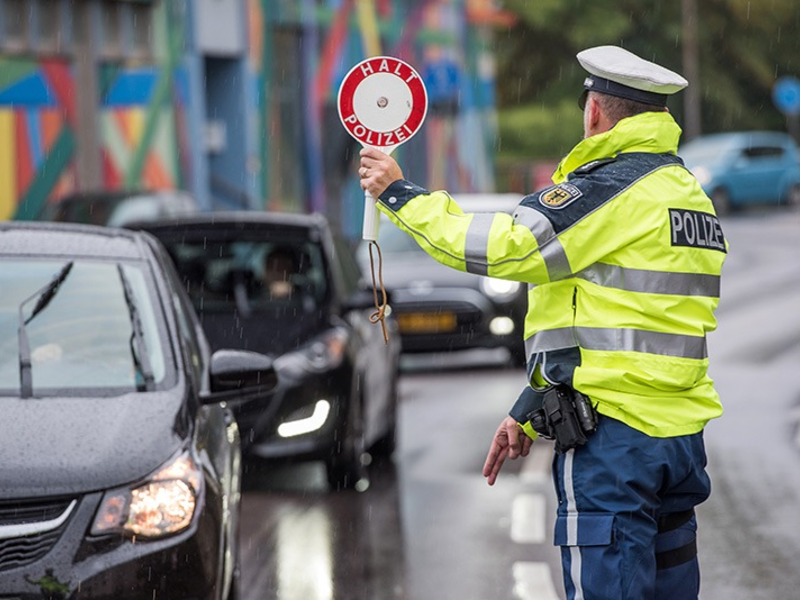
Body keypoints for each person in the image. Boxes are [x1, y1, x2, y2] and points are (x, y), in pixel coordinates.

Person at [358, 45, 726, 599]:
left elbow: (505, 248)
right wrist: (528, 414)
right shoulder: (689, 196)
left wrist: (399, 194)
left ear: (595, 114)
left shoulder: (608, 188)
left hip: (616, 444)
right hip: (678, 443)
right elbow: (615, 324)